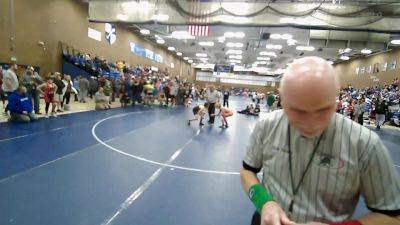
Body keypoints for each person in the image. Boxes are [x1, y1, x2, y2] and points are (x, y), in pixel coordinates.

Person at [240, 57, 400, 225]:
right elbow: (247, 171)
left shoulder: (365, 144)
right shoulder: (267, 126)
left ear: (336, 96)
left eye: (323, 110)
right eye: (299, 111)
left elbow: (393, 216)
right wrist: (264, 202)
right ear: (282, 98)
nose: (311, 123)